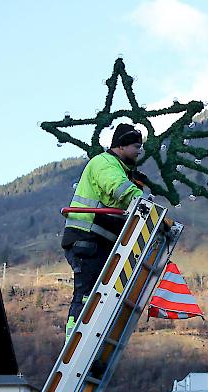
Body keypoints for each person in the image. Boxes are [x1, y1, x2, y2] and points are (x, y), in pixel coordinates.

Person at [61, 123, 145, 339]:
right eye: (136, 146)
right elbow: (118, 188)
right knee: (87, 294)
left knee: (95, 294)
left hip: (97, 240)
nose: (139, 151)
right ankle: (75, 338)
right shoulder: (105, 163)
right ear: (121, 146)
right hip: (86, 238)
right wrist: (143, 202)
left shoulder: (118, 168)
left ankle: (86, 336)